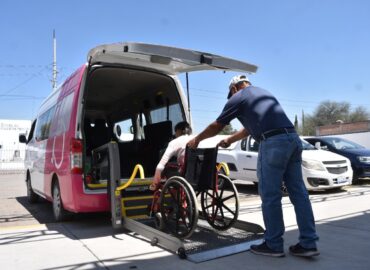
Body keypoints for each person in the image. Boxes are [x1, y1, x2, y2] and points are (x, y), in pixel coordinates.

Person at [187, 75, 319, 258]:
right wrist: (230, 140)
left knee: (270, 195)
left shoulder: (238, 97)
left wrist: (197, 139)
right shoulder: (263, 93)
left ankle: (273, 244)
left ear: (234, 88)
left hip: (273, 143)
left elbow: (217, 125)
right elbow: (249, 129)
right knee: (299, 193)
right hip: (293, 139)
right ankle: (308, 243)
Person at [150, 121, 194, 190]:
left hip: (185, 175)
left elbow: (160, 166)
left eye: (175, 131)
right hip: (201, 175)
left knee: (166, 166)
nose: (175, 134)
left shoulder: (174, 142)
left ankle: (156, 185)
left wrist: (155, 182)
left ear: (179, 131)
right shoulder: (198, 139)